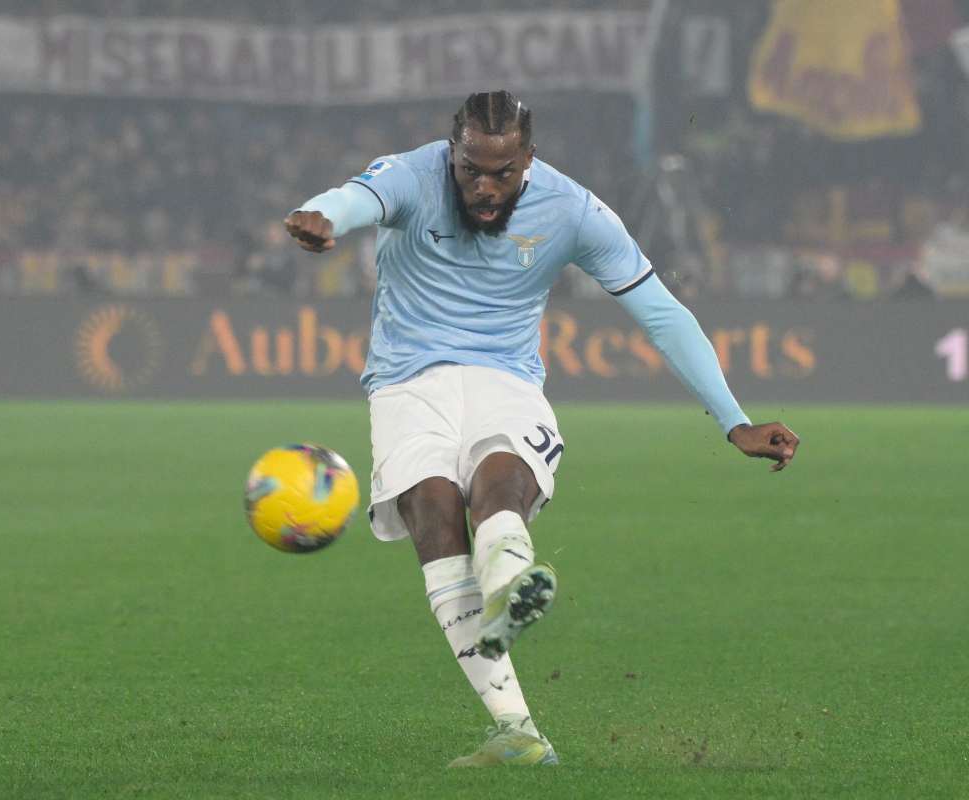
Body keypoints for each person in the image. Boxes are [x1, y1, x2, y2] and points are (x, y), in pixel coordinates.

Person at [283, 91, 800, 768]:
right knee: (435, 517)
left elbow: (661, 312)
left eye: (503, 172)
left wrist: (733, 419)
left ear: (528, 158)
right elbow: (354, 199)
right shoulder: (412, 174)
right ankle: (518, 729)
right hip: (407, 383)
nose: (486, 188)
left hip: (506, 379)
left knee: (499, 486)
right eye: (472, 171)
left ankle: (508, 589)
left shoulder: (574, 209)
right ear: (452, 152)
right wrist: (323, 216)